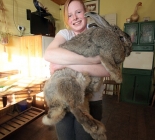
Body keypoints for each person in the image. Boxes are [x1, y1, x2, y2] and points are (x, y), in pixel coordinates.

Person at [44, 0, 109, 139]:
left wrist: (64, 63)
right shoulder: (65, 34)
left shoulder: (97, 35)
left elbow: (107, 70)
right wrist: (92, 60)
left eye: (78, 12)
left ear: (85, 12)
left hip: (92, 101)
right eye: (70, 15)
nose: (75, 18)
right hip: (64, 100)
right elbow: (48, 54)